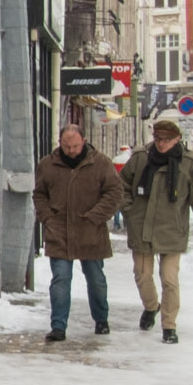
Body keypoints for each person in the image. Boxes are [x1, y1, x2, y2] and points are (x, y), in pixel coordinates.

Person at [119, 119, 193, 344]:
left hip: (172, 229)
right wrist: (129, 210)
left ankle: (169, 326)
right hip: (142, 226)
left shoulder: (189, 164)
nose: (161, 144)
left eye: (166, 140)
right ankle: (151, 306)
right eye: (158, 139)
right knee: (142, 275)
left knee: (169, 279)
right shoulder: (140, 158)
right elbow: (121, 186)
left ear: (177, 140)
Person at [32, 125, 124, 342]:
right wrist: (47, 218)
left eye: (74, 146)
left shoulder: (100, 163)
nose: (71, 150)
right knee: (61, 279)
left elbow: (114, 192)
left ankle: (101, 319)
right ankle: (58, 326)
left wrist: (95, 216)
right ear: (60, 144)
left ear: (83, 141)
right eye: (66, 146)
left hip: (91, 231)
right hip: (59, 232)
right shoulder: (47, 165)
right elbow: (39, 195)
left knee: (96, 279)